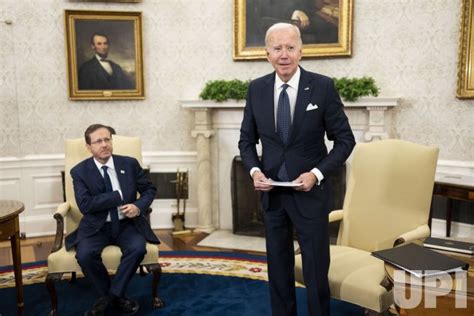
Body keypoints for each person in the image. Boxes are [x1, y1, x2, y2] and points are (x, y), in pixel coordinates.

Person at [238, 23, 355, 316]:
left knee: (316, 273)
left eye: (290, 47)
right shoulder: (256, 90)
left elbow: (344, 141)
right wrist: (255, 172)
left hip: (310, 195)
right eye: (277, 48)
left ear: (301, 51)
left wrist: (316, 174)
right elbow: (246, 141)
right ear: (267, 54)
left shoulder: (323, 86)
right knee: (278, 271)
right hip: (272, 196)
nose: (284, 54)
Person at [65, 124, 159, 316]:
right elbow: (85, 205)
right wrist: (117, 196)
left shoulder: (129, 164)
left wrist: (138, 206)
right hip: (96, 227)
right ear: (89, 147)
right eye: (98, 141)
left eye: (107, 139)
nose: (104, 144)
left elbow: (150, 190)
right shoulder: (80, 172)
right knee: (84, 255)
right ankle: (118, 297)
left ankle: (109, 297)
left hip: (127, 224)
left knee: (137, 248)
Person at [246, 0, 338, 47]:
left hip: (304, 21)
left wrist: (301, 11)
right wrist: (292, 13)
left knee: (328, 28)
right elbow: (261, 11)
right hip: (271, 24)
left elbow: (311, 5)